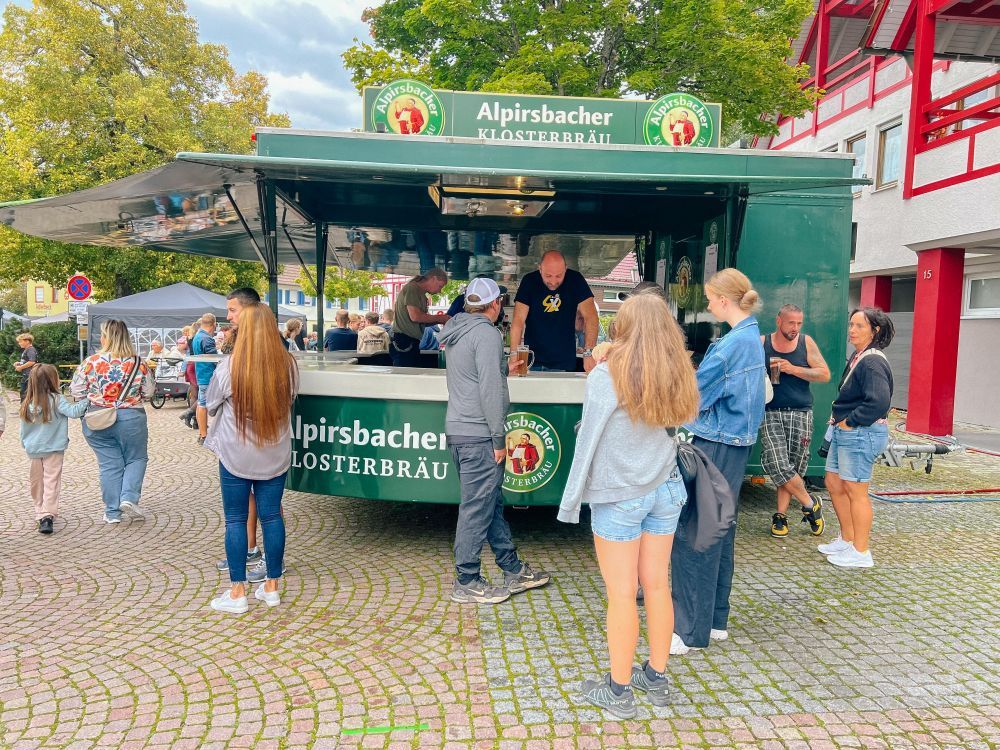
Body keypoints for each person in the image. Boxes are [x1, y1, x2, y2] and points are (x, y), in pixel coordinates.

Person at [558, 294, 700, 718]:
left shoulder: (606, 376)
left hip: (621, 495)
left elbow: (588, 439)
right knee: (656, 585)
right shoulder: (679, 374)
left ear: (623, 328)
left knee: (621, 594)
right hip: (667, 487)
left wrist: (570, 500)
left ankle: (618, 691)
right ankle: (655, 677)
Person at [437, 277, 550, 604]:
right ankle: (467, 578)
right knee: (477, 507)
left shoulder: (458, 328)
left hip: (460, 431)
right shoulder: (486, 333)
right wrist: (499, 439)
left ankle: (512, 568)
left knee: (488, 504)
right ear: (496, 304)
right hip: (480, 435)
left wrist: (503, 367)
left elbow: (477, 377)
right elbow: (489, 391)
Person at [671, 268, 766, 655]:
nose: (707, 304)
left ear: (725, 301)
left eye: (710, 298)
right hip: (734, 445)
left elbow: (692, 398)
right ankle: (715, 619)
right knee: (720, 529)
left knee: (695, 534)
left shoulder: (729, 347)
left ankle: (689, 631)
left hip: (713, 445)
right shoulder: (750, 339)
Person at [205, 303, 298, 613]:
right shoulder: (287, 365)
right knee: (272, 516)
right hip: (275, 453)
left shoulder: (230, 366)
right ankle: (271, 587)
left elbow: (212, 402)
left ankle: (237, 592)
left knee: (234, 519)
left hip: (236, 454)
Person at [820, 307, 894, 569]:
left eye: (859, 326)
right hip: (847, 431)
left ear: (875, 331)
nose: (852, 330)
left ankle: (861, 552)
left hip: (860, 432)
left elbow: (879, 400)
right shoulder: (858, 356)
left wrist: (851, 422)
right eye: (851, 324)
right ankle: (848, 539)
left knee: (856, 490)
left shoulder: (872, 361)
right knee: (834, 482)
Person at [71, 319, 154, 524]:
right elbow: (149, 392)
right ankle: (128, 497)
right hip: (131, 417)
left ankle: (112, 513)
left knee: (110, 465)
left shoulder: (90, 362)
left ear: (106, 337)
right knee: (136, 458)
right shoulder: (139, 363)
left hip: (98, 417)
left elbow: (76, 391)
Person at [761, 304, 831, 537]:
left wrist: (793, 369)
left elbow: (824, 373)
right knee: (776, 462)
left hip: (800, 412)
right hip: (770, 411)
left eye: (799, 323)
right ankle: (811, 504)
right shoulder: (762, 343)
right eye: (791, 323)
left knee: (793, 466)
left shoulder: (805, 342)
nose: (795, 328)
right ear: (778, 320)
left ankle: (780, 516)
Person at [19, 364, 89, 534]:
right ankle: (47, 516)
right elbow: (74, 412)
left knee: (36, 482)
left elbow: (23, 430)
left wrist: (25, 444)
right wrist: (88, 399)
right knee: (51, 481)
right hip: (55, 448)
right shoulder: (57, 399)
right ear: (53, 380)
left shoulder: (27, 401)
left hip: (34, 449)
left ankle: (39, 510)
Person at [510, 251, 598, 373]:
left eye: (558, 276)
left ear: (565, 269)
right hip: (533, 362)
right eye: (548, 276)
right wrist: (514, 354)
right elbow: (518, 321)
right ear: (540, 269)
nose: (553, 281)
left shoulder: (576, 280)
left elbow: (591, 317)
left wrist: (589, 352)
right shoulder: (529, 281)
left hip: (564, 363)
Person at [390, 268, 450, 367]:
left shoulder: (418, 292)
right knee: (406, 376)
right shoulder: (412, 289)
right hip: (404, 341)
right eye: (440, 286)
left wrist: (441, 320)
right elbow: (416, 316)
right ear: (433, 278)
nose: (440, 291)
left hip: (409, 341)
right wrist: (440, 318)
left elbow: (420, 321)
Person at [191, 313, 218, 445]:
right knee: (203, 404)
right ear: (213, 324)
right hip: (208, 375)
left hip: (201, 374)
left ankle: (202, 433)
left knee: (200, 404)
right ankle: (204, 435)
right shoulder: (207, 338)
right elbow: (214, 359)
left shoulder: (197, 336)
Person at [14, 332, 38, 400]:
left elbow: (32, 362)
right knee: (24, 393)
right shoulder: (27, 350)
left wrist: (20, 367)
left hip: (30, 376)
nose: (19, 343)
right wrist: (19, 363)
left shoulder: (31, 349)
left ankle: (25, 409)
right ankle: (25, 409)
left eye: (20, 341)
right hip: (26, 375)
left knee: (25, 394)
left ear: (27, 341)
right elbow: (27, 361)